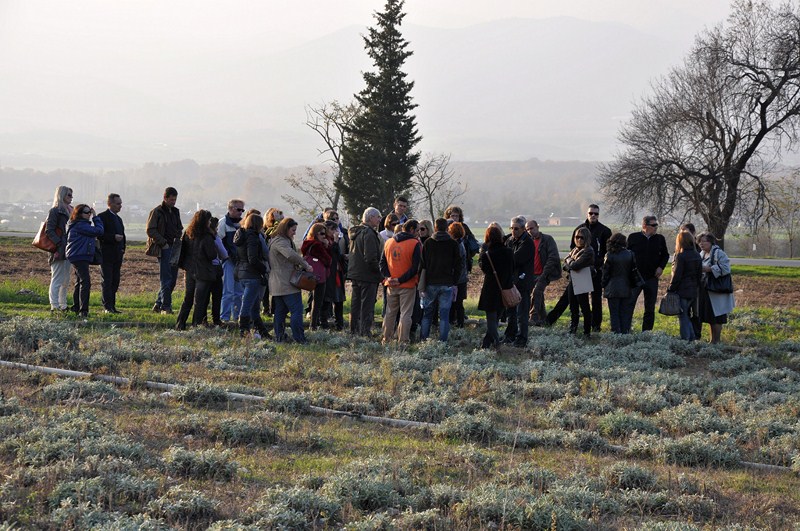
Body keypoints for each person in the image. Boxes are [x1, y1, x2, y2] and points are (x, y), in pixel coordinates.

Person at [269, 217, 312, 343]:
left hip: (279, 283)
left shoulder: (276, 240)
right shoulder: (281, 242)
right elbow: (290, 255)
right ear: (285, 229)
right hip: (286, 282)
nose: (294, 233)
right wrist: (305, 265)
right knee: (296, 311)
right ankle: (299, 338)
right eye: (293, 230)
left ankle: (280, 337)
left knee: (280, 313)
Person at [380, 219, 422, 343]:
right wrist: (401, 279)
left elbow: (382, 263)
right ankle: (403, 341)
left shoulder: (389, 242)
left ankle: (386, 339)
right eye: (418, 229)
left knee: (390, 313)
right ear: (412, 230)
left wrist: (388, 277)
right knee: (405, 314)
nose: (419, 232)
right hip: (407, 285)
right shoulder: (415, 243)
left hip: (391, 285)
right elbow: (415, 267)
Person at [420, 218, 462, 342]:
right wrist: (454, 281)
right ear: (447, 228)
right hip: (447, 282)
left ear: (436, 227)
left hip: (431, 282)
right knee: (444, 315)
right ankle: (443, 341)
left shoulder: (428, 243)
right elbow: (459, 265)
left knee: (427, 314)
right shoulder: (453, 244)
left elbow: (423, 264)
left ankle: (423, 339)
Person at [175, 210, 217, 331]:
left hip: (189, 270)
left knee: (187, 299)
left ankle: (180, 324)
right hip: (203, 271)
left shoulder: (188, 233)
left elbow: (183, 251)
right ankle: (196, 326)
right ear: (205, 221)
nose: (210, 222)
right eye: (209, 220)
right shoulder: (207, 236)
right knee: (199, 301)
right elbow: (212, 255)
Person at [574, 204, 612, 332]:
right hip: (581, 270)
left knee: (596, 299)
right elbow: (572, 248)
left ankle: (596, 325)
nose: (593, 216)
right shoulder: (579, 229)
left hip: (597, 270)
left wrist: (598, 265)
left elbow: (607, 252)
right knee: (581, 300)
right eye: (591, 213)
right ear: (587, 214)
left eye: (596, 214)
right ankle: (583, 325)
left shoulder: (605, 231)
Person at [628, 215, 670, 331]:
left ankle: (646, 333)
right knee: (630, 304)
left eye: (656, 225)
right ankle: (626, 330)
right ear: (644, 226)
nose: (656, 227)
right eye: (653, 225)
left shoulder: (660, 239)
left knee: (650, 307)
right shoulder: (633, 237)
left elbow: (665, 255)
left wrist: (661, 267)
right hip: (635, 277)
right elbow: (627, 255)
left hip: (652, 277)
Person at [234, 213, 272, 339]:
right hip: (252, 274)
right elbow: (253, 259)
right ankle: (243, 332)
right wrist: (264, 269)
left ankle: (262, 332)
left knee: (254, 306)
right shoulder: (252, 237)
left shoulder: (240, 235)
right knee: (248, 305)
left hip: (243, 273)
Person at [146, 187, 183, 314]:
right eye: (171, 199)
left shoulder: (176, 212)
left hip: (175, 247)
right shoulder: (156, 212)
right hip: (164, 248)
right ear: (165, 198)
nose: (173, 202)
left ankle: (158, 303)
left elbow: (179, 227)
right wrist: (163, 243)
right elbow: (151, 230)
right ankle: (166, 307)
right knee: (166, 278)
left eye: (175, 200)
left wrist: (178, 236)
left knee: (172, 279)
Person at [348, 207, 383, 337]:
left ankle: (354, 331)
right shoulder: (369, 233)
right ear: (370, 218)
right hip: (367, 275)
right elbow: (370, 258)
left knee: (355, 305)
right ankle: (364, 333)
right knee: (367, 306)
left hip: (355, 273)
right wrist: (380, 274)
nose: (380, 220)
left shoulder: (355, 232)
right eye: (378, 217)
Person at [478, 225, 515, 348]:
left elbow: (485, 270)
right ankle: (486, 343)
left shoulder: (487, 255)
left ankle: (496, 344)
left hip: (490, 289)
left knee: (491, 320)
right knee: (497, 319)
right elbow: (512, 269)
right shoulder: (509, 252)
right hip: (505, 288)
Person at [65, 204, 104, 318]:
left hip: (78, 255)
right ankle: (83, 311)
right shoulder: (80, 225)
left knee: (80, 282)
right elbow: (99, 231)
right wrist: (96, 217)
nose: (89, 214)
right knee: (86, 282)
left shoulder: (78, 224)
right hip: (79, 255)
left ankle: (77, 307)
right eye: (87, 212)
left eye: (90, 212)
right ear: (79, 214)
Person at [698, 232, 735, 344]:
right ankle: (712, 340)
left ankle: (716, 341)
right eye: (700, 241)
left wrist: (709, 269)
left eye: (704, 241)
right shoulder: (702, 253)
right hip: (706, 290)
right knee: (710, 317)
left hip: (717, 291)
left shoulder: (719, 253)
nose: (701, 244)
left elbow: (726, 269)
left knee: (717, 317)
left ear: (711, 242)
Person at [503, 216, 535, 347]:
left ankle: (522, 338)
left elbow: (515, 259)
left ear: (523, 229)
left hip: (523, 281)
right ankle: (510, 335)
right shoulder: (510, 240)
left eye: (516, 228)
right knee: (511, 311)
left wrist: (504, 257)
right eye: (511, 228)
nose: (513, 231)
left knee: (522, 312)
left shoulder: (527, 243)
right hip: (511, 281)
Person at [524, 219, 561, 327]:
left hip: (544, 273)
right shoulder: (528, 241)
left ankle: (533, 318)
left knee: (536, 292)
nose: (530, 231)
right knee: (539, 296)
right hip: (531, 274)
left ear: (537, 227)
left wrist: (544, 274)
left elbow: (553, 257)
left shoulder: (547, 239)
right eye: (527, 229)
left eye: (532, 228)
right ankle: (544, 320)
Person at [668, 231, 703, 341]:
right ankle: (691, 337)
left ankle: (686, 339)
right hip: (693, 290)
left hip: (682, 289)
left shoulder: (681, 256)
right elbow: (699, 274)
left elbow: (677, 275)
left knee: (682, 316)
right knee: (686, 315)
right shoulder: (697, 255)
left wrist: (670, 288)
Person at [45, 186, 73, 312]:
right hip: (58, 250)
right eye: (69, 195)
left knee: (66, 279)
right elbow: (49, 230)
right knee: (56, 278)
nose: (71, 197)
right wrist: (60, 243)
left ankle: (63, 305)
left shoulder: (71, 210)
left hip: (69, 249)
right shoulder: (55, 211)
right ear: (61, 195)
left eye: (71, 195)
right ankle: (54, 305)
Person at [602, 233, 636, 334]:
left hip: (612, 287)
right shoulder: (630, 254)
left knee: (614, 313)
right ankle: (625, 332)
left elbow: (605, 273)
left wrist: (603, 284)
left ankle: (616, 334)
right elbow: (633, 271)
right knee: (624, 313)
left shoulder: (609, 255)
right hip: (626, 287)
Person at [97, 193, 126, 314]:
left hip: (117, 255)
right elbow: (99, 234)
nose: (120, 206)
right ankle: (107, 307)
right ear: (110, 204)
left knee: (115, 281)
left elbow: (123, 236)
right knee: (107, 281)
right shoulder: (102, 217)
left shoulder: (119, 219)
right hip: (106, 255)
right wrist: (113, 237)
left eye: (121, 203)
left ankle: (112, 306)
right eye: (118, 203)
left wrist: (123, 248)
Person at [301, 222, 332, 330]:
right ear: (315, 234)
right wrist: (327, 246)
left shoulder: (307, 243)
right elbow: (328, 260)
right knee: (318, 301)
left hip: (310, 275)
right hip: (319, 277)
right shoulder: (317, 245)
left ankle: (314, 323)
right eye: (322, 234)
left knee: (314, 299)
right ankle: (313, 325)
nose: (324, 236)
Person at [565, 227, 595, 336]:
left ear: (586, 238)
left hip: (582, 281)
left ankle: (587, 332)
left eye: (581, 237)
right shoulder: (575, 249)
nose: (578, 239)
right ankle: (573, 329)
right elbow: (566, 263)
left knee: (584, 307)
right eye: (576, 237)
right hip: (573, 280)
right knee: (573, 306)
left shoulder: (588, 250)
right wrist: (570, 264)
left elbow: (574, 265)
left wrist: (570, 263)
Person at [219, 199, 245, 323]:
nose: (241, 212)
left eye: (242, 210)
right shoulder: (223, 223)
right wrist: (226, 257)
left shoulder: (243, 224)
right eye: (239, 209)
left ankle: (236, 317)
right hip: (229, 261)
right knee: (228, 291)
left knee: (239, 293)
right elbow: (218, 243)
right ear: (231, 209)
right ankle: (224, 318)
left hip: (240, 262)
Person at [679, 222, 703, 339]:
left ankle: (691, 337)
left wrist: (672, 287)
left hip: (687, 287)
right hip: (693, 286)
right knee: (687, 313)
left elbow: (679, 274)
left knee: (692, 313)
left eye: (685, 231)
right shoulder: (694, 253)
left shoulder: (696, 250)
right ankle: (692, 336)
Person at [322, 220, 346, 330]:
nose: (335, 231)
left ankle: (339, 324)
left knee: (339, 300)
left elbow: (336, 255)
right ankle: (323, 324)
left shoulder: (333, 241)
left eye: (336, 229)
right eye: (332, 229)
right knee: (327, 301)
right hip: (329, 275)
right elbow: (330, 254)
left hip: (337, 273)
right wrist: (336, 242)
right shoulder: (324, 242)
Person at [262, 207, 284, 315]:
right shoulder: (266, 229)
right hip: (268, 259)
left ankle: (275, 309)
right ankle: (266, 308)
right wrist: (278, 222)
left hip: (276, 260)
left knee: (277, 285)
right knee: (266, 286)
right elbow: (271, 234)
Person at [447, 221, 469, 328]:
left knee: (454, 304)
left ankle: (454, 323)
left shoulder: (456, 245)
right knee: (459, 304)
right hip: (462, 279)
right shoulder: (461, 243)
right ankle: (459, 324)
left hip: (457, 279)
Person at [208, 217, 227, 326]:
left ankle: (203, 319)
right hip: (215, 268)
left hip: (201, 270)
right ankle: (216, 319)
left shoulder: (197, 236)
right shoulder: (215, 238)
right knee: (216, 295)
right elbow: (224, 254)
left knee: (204, 297)